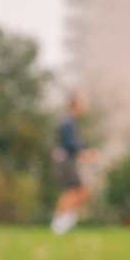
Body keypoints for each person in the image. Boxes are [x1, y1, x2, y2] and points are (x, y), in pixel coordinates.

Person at [50, 92, 91, 234]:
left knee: (78, 191)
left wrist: (86, 150)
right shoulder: (67, 122)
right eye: (81, 104)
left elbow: (76, 143)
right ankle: (60, 222)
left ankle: (65, 219)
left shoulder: (71, 122)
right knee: (72, 191)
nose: (84, 107)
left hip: (69, 160)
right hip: (66, 161)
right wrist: (83, 152)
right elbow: (69, 143)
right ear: (75, 105)